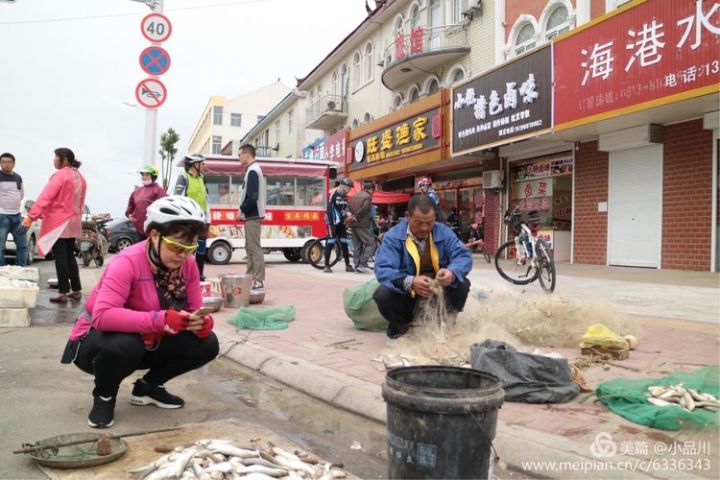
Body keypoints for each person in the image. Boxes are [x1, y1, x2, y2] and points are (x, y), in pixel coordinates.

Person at [60, 196, 219, 428]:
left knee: (207, 344)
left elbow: (193, 309)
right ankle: (104, 395)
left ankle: (148, 388)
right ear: (154, 235)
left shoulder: (188, 265)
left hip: (149, 342)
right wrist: (160, 319)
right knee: (125, 343)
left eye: (190, 248)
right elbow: (103, 316)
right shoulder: (127, 262)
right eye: (177, 247)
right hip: (96, 344)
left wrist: (201, 323)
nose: (183, 255)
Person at [373, 194, 472, 339]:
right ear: (407, 216)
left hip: (437, 293)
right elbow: (383, 269)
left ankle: (445, 324)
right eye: (419, 222)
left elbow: (463, 256)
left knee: (462, 283)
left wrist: (451, 272)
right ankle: (401, 329)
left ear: (435, 218)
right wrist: (411, 282)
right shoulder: (393, 237)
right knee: (383, 294)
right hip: (408, 296)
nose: (425, 228)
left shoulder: (443, 232)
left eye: (429, 222)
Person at [20, 148, 87, 303]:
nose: (54, 160)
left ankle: (63, 292)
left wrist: (31, 216)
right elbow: (81, 202)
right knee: (70, 256)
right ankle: (76, 290)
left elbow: (46, 197)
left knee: (61, 257)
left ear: (63, 160)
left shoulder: (60, 176)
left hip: (59, 222)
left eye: (56, 158)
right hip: (74, 220)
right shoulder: (80, 177)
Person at [237, 144, 266, 292]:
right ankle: (250, 277)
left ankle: (258, 280)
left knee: (254, 248)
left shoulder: (254, 170)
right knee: (249, 247)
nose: (239, 157)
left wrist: (242, 209)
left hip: (253, 215)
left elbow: (252, 196)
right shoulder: (251, 170)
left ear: (247, 154)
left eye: (240, 154)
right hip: (250, 215)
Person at [175, 154, 209, 279]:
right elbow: (179, 199)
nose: (204, 166)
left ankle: (199, 274)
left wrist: (207, 219)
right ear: (195, 164)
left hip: (202, 220)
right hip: (189, 220)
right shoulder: (183, 177)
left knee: (201, 249)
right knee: (187, 248)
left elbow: (206, 199)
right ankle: (183, 275)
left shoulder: (202, 178)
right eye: (202, 163)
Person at [0, 152, 28, 266]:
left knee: (23, 245)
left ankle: (21, 271)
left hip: (17, 216)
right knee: (0, 246)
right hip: (2, 216)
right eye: (3, 162)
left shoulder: (18, 177)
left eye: (9, 162)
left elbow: (21, 194)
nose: (6, 164)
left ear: (14, 164)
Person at [126, 165, 167, 239]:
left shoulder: (159, 191)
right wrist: (129, 214)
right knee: (141, 250)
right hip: (139, 230)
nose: (144, 177)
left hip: (153, 231)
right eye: (143, 174)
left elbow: (165, 208)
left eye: (147, 175)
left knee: (151, 250)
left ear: (153, 176)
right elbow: (130, 205)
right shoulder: (137, 191)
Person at [324, 177, 354, 273]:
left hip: (341, 224)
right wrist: (331, 223)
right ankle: (326, 266)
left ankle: (348, 265)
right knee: (330, 243)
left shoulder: (345, 197)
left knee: (344, 244)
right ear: (344, 186)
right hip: (332, 224)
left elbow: (345, 209)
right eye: (349, 187)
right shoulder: (333, 195)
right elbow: (329, 209)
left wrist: (349, 215)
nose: (349, 190)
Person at [349, 180, 376, 273]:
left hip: (353, 224)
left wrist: (352, 217)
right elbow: (365, 208)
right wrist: (356, 217)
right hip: (361, 223)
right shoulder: (368, 196)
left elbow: (349, 208)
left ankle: (356, 265)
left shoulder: (354, 196)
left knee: (357, 245)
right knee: (371, 243)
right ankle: (362, 263)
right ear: (371, 189)